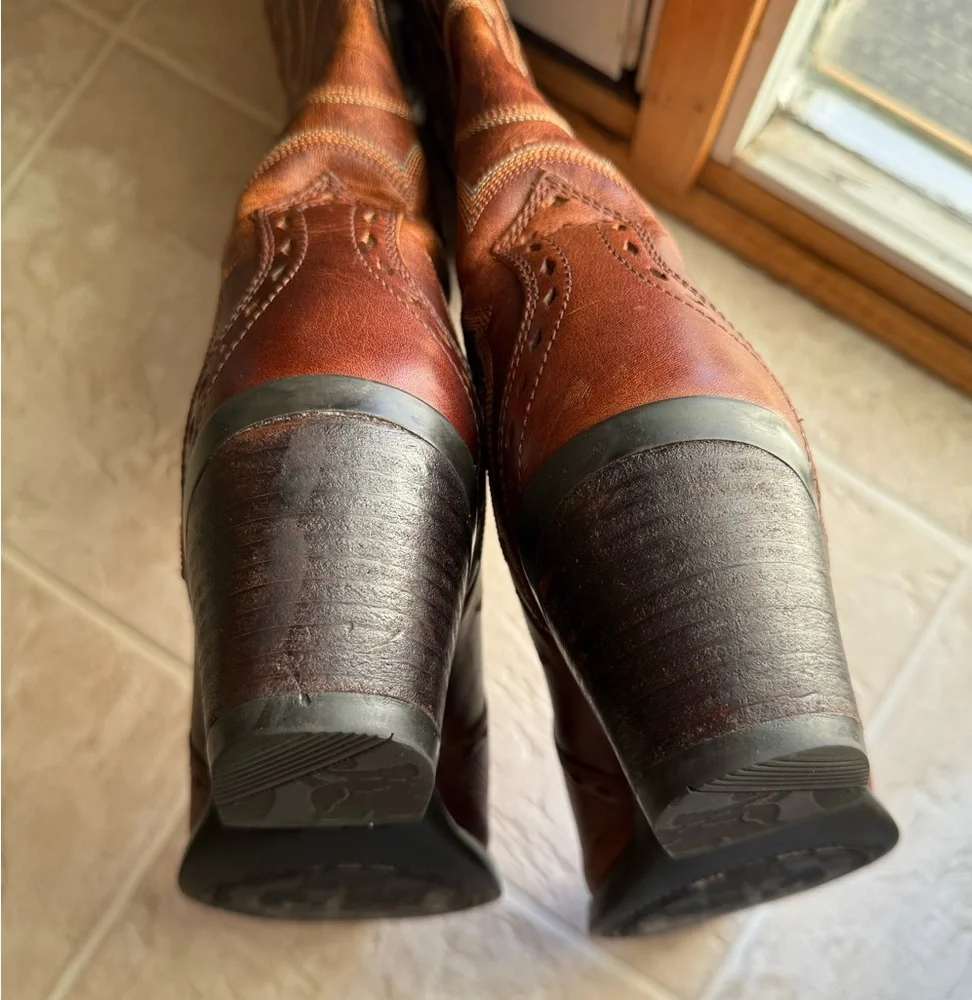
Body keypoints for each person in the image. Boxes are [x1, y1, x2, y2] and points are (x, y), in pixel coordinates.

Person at [177, 0, 896, 934]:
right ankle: (690, 719)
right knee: (552, 227)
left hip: (324, 355)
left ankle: (337, 283)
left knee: (339, 188)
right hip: (636, 364)